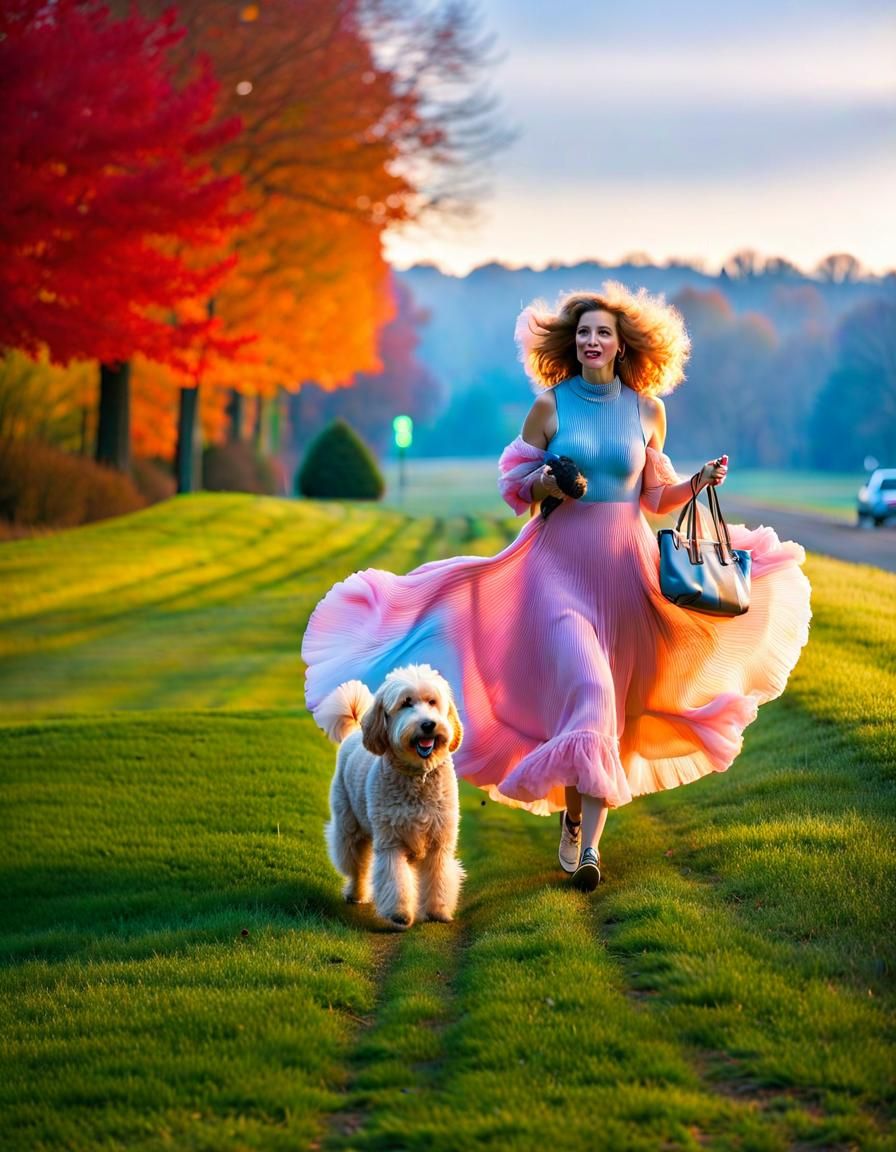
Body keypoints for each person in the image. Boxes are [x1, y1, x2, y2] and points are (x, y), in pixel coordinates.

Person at [303, 282, 811, 893]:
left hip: (627, 575)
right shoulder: (550, 407)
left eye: (603, 332)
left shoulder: (647, 409)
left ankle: (583, 834)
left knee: (609, 713)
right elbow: (517, 490)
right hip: (557, 575)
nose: (592, 340)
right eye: (583, 332)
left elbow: (652, 497)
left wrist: (696, 480)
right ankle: (583, 833)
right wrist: (551, 480)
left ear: (624, 345)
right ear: (572, 344)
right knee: (591, 692)